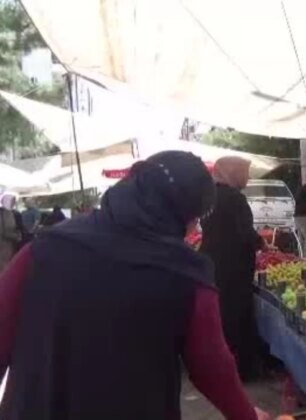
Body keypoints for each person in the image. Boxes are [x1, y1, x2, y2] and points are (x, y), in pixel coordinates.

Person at [0, 151, 267, 420]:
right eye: (195, 218)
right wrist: (247, 415)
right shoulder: (187, 276)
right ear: (181, 213)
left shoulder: (43, 250)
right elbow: (212, 367)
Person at [200, 156, 266, 382]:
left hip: (213, 262)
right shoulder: (235, 198)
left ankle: (221, 367)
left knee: (223, 315)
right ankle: (242, 370)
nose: (247, 177)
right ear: (233, 173)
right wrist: (262, 243)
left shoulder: (209, 198)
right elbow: (245, 232)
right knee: (238, 315)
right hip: (234, 265)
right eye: (244, 172)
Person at [0, 195, 20, 272]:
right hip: (5, 244)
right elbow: (5, 231)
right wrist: (17, 236)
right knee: (4, 265)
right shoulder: (6, 213)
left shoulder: (8, 213)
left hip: (6, 243)